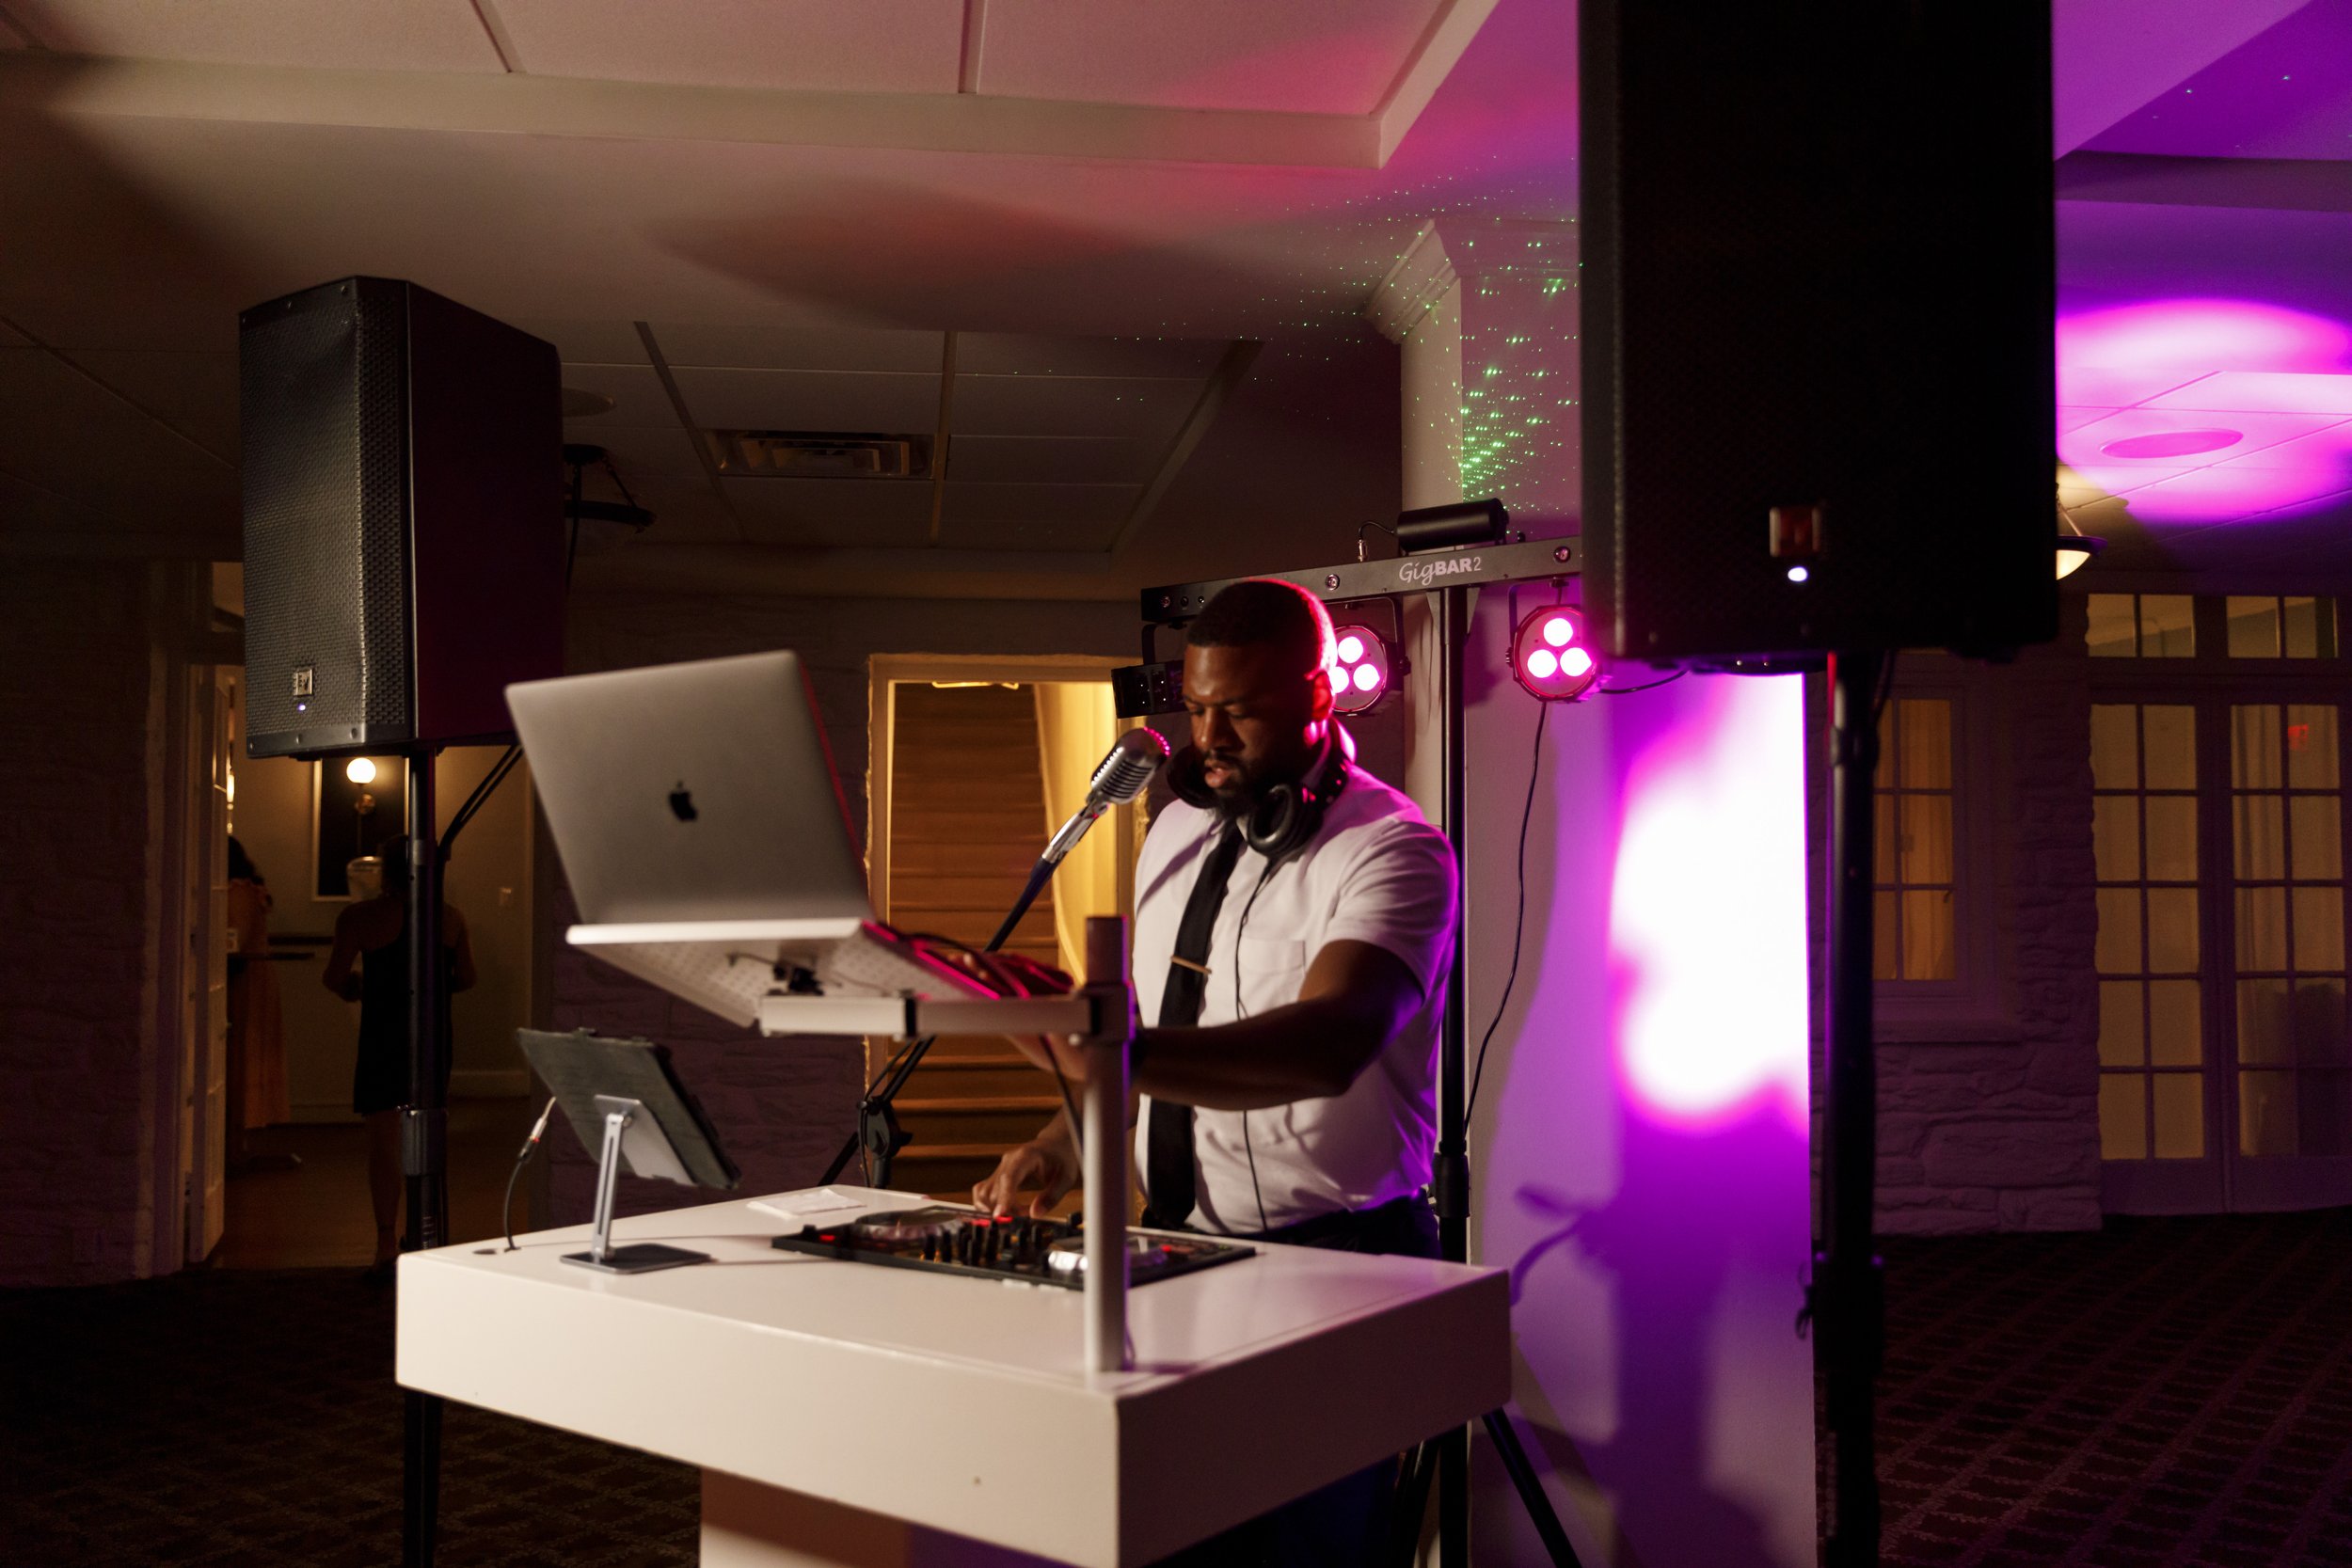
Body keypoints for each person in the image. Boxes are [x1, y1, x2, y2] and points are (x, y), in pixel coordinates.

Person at [973, 578, 1458, 1565]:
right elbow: (1160, 1039)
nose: (1209, 736)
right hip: (1187, 1251)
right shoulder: (1174, 829)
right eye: (1195, 707)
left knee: (1308, 1549)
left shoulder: (1395, 851)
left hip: (1344, 1261)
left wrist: (1115, 1053)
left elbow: (1329, 1043)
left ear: (1319, 697)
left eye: (1239, 709)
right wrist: (1058, 1147)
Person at [323, 837, 476, 1278]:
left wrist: (359, 988)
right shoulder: (448, 918)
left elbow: (334, 977)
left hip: (382, 1034)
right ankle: (427, 1233)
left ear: (386, 871)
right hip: (430, 1035)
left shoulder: (359, 917)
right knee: (428, 1135)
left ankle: (386, 1240)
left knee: (383, 1143)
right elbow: (467, 976)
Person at [224, 836, 291, 1167]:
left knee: (240, 1057)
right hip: (249, 979)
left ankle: (235, 1144)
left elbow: (234, 939)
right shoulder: (246, 890)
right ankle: (235, 1142)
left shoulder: (237, 892)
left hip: (243, 982)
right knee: (239, 1057)